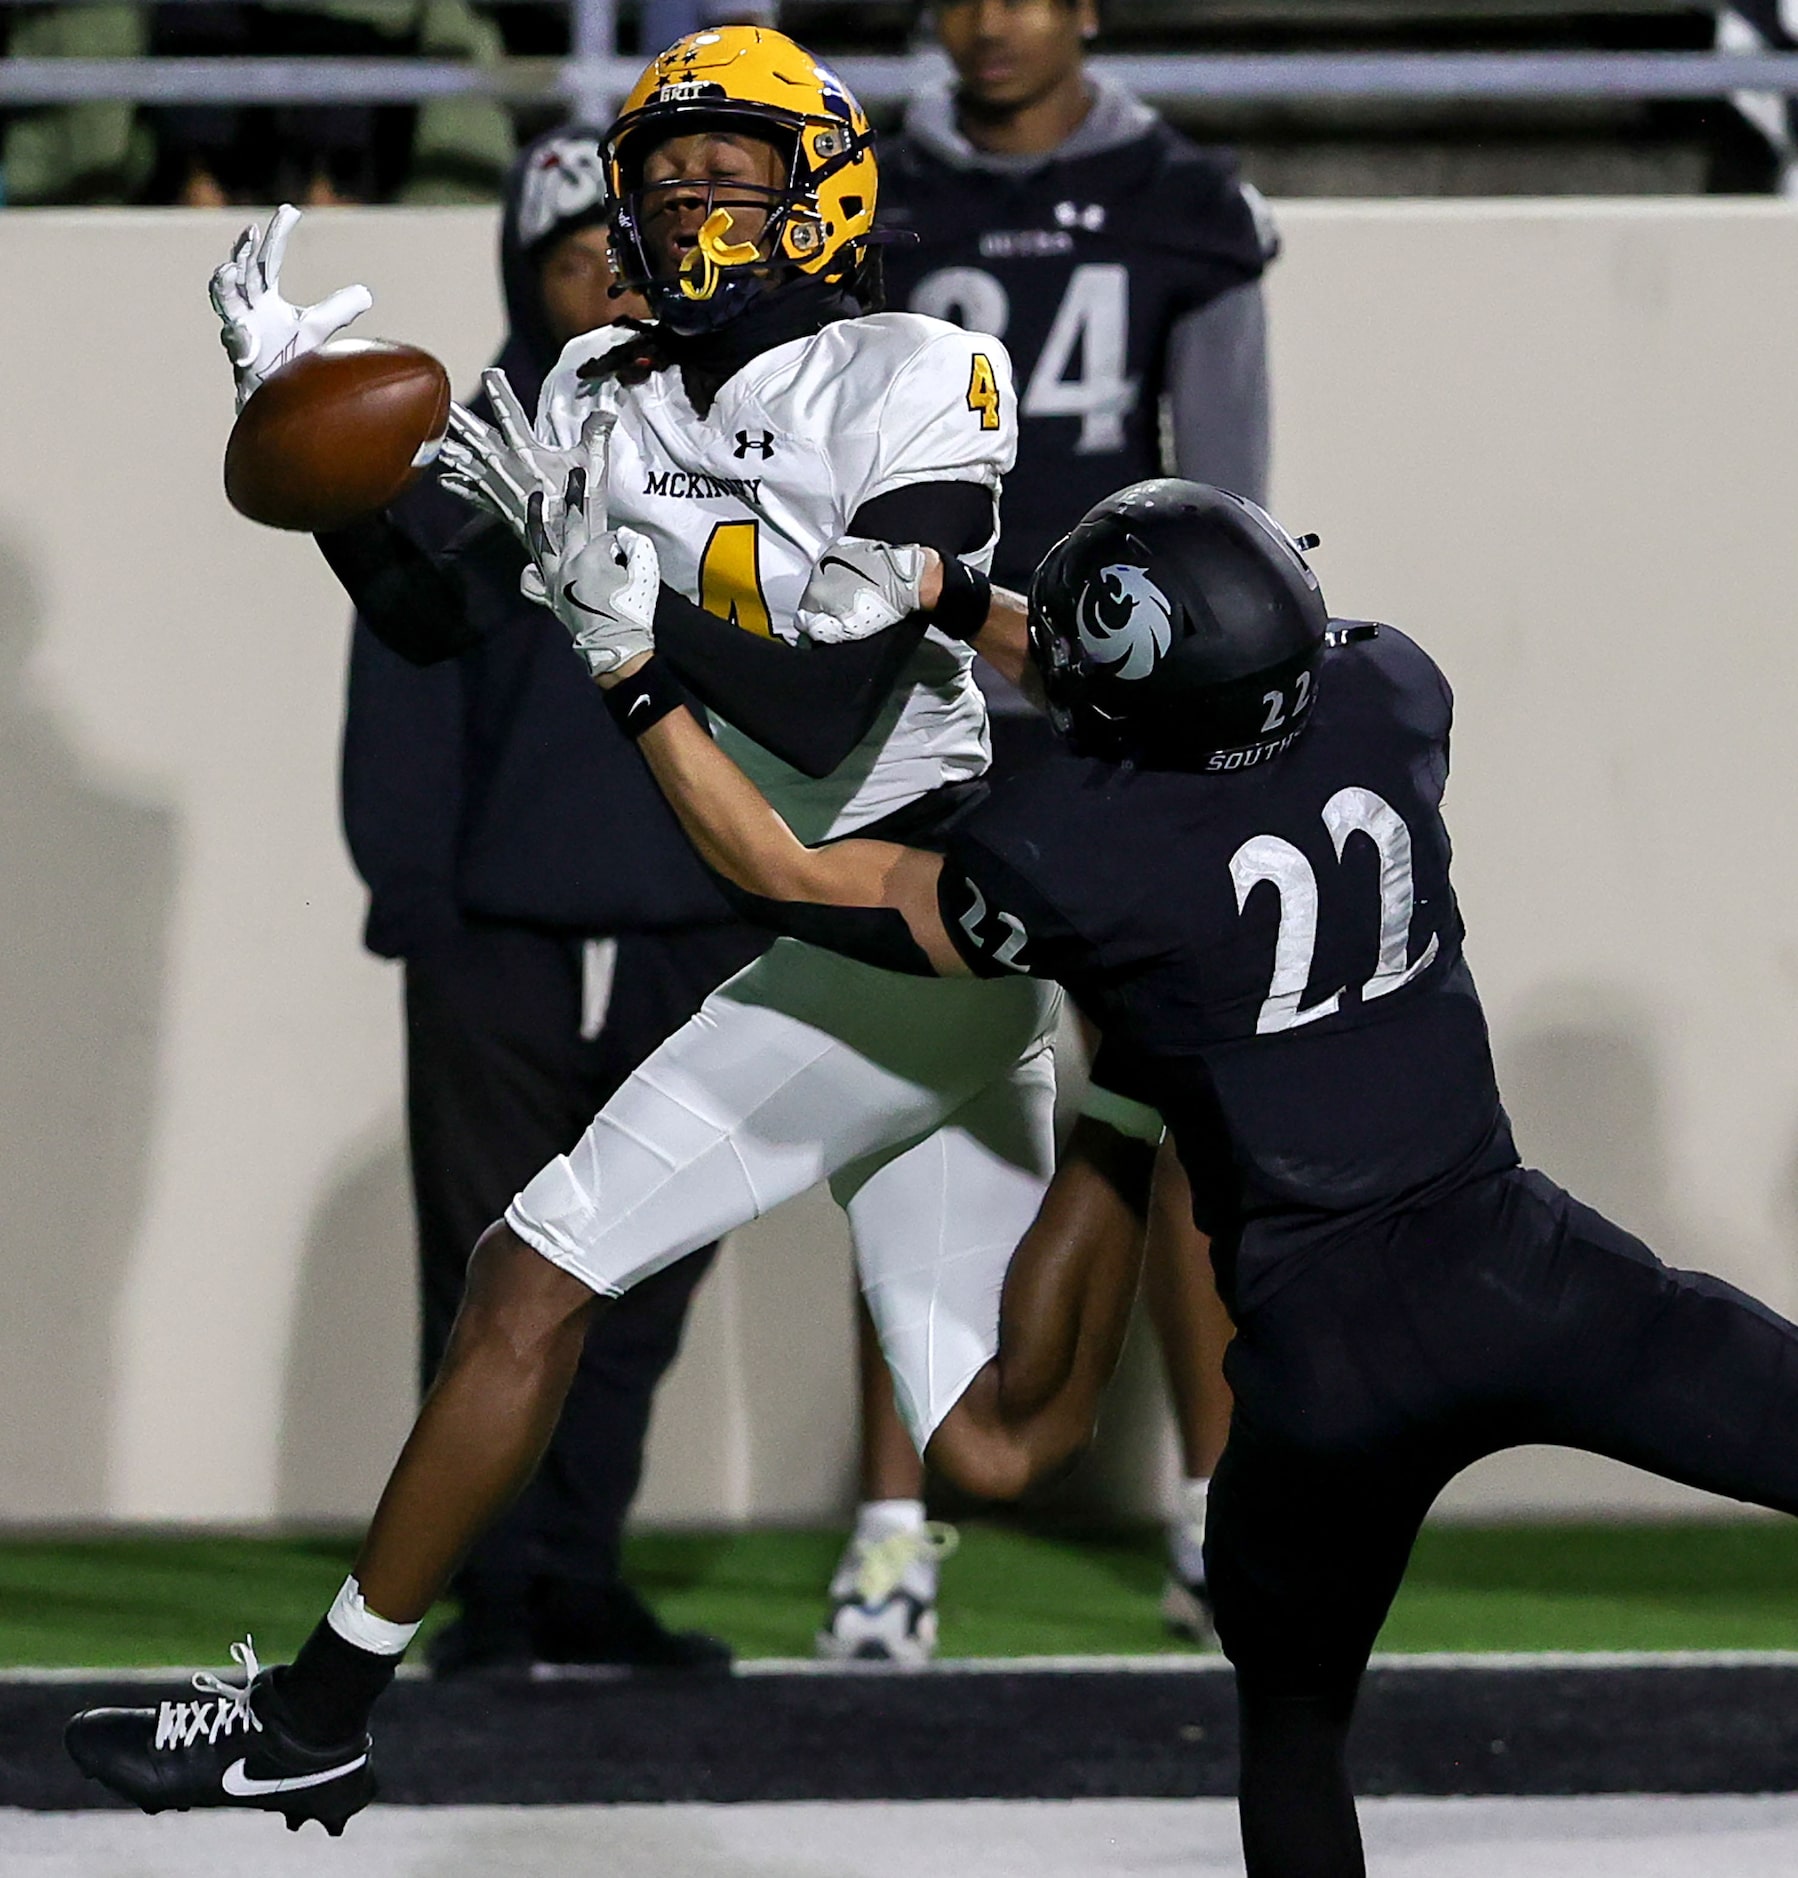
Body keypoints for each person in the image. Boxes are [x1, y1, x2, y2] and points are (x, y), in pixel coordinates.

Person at [462, 473, 1798, 1875]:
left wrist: (627, 670)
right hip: (1518, 1268)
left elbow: (788, 872)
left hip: (1321, 1365)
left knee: (1289, 1732)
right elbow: (1179, 683)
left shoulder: (1077, 853)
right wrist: (961, 599)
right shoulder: (1390, 697)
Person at [65, 23, 1062, 1834]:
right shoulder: (601, 383)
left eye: (727, 177)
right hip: (807, 953)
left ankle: (1168, 1161)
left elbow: (838, 697)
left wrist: (630, 637)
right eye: (663, 181)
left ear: (823, 191)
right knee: (525, 1277)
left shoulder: (919, 372)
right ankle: (319, 1709)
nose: (686, 210)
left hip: (942, 932)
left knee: (1004, 1439)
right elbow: (442, 617)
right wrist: (326, 452)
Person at [821, 0, 1278, 1654]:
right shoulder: (865, 183)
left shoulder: (1177, 198)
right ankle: (891, 1529)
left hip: (1116, 726)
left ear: (1085, 6)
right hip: (925, 710)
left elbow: (1225, 497)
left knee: (1180, 1119)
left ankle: (1218, 1513)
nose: (987, 22)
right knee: (917, 1099)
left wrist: (1199, 713)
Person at [341, 125, 766, 1675]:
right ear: (527, 275)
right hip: (496, 930)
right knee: (486, 1260)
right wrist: (419, 901)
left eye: (632, 248)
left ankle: (577, 1564)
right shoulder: (468, 454)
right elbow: (404, 677)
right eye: (576, 254)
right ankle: (490, 1584)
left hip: (698, 915)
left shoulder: (734, 438)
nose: (607, 278)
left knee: (645, 1263)